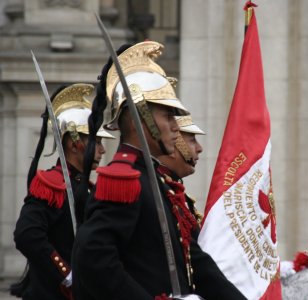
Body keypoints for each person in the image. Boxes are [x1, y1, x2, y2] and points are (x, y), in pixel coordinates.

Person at [72, 41, 247, 299]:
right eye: (168, 117)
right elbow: (93, 260)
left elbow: (197, 264)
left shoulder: (158, 181)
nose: (176, 127)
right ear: (138, 119)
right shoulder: (124, 178)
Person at [12, 83, 114, 300]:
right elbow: (27, 235)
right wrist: (66, 274)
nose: (103, 149)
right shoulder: (52, 184)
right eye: (96, 142)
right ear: (74, 142)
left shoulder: (88, 189)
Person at [157, 115, 205, 225]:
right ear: (173, 144)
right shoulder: (156, 188)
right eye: (192, 140)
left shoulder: (175, 191)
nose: (199, 148)